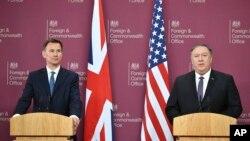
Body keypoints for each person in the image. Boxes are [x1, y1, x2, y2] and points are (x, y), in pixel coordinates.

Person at [13, 38, 82, 140]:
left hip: (64, 131)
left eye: (58, 51)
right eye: (52, 51)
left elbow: (75, 100)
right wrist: (17, 116)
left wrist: (74, 117)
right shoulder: (34, 76)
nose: (55, 54)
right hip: (38, 131)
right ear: (44, 54)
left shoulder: (72, 77)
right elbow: (25, 99)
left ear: (62, 54)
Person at [166, 43, 243, 123]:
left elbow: (236, 108)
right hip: (187, 131)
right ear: (192, 61)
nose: (200, 59)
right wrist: (184, 123)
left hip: (217, 130)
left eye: (204, 55)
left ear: (211, 59)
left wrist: (217, 121)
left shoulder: (226, 80)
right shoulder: (180, 81)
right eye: (196, 56)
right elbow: (171, 108)